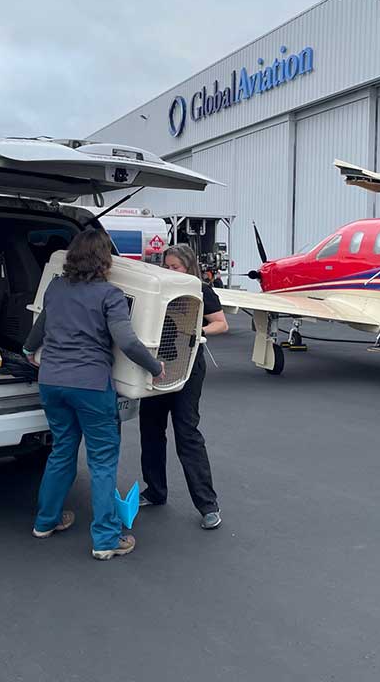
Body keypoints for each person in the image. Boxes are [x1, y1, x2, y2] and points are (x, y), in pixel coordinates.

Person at [22, 228, 164, 561]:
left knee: (61, 451)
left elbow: (40, 328)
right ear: (105, 261)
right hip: (90, 385)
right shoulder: (109, 295)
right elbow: (127, 342)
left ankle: (46, 522)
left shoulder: (56, 288)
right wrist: (155, 367)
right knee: (102, 462)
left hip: (52, 382)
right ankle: (105, 540)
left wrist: (29, 350)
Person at [139, 244, 227, 530]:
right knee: (151, 430)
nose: (169, 271)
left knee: (186, 433)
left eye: (175, 267)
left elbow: (220, 324)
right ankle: (155, 491)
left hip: (187, 369)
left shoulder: (201, 290)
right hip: (158, 366)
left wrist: (197, 331)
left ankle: (207, 505)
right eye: (166, 265)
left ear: (188, 267)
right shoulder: (158, 289)